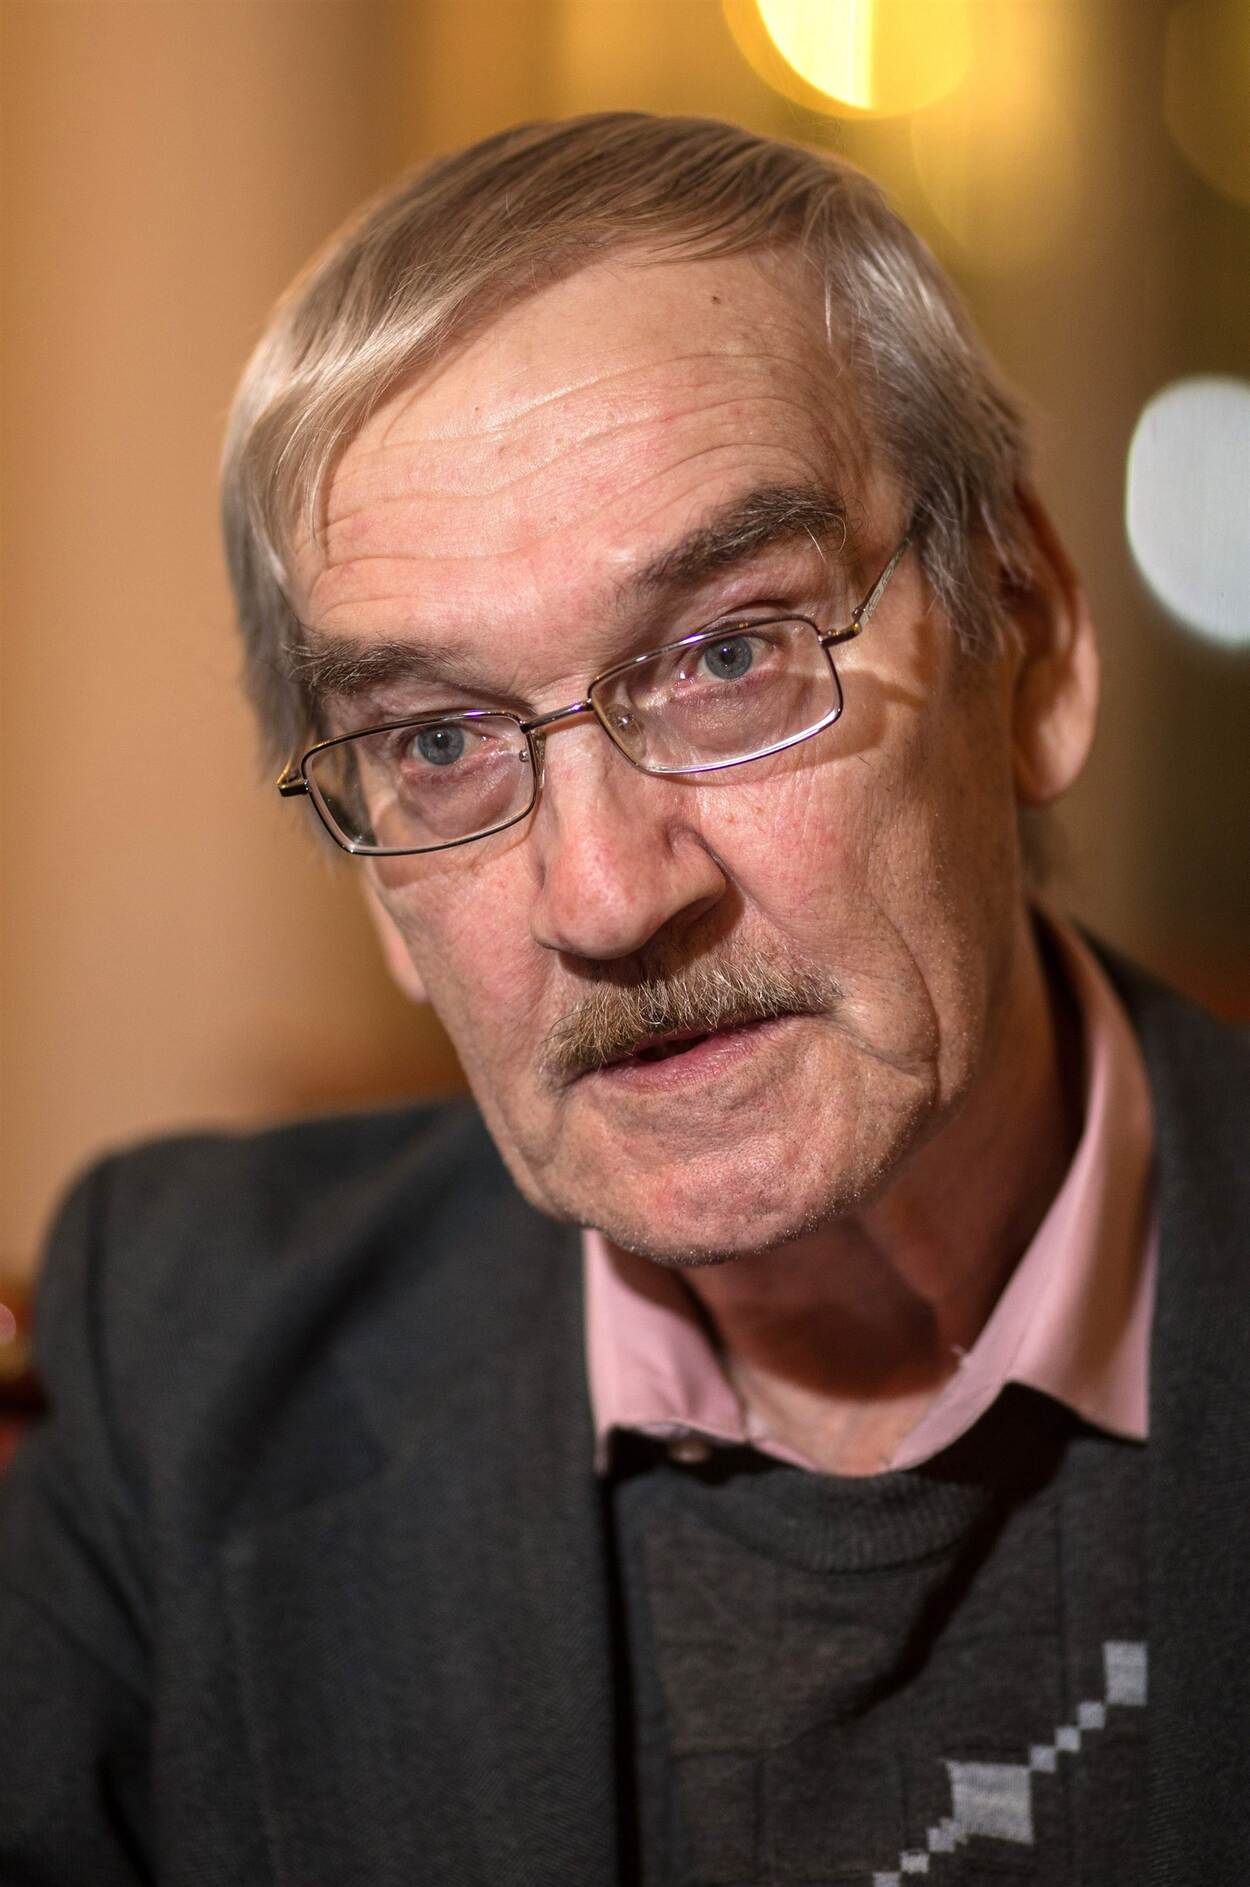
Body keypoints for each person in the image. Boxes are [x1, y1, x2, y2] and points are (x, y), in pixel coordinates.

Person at [1, 113, 1246, 1887]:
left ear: (1028, 649)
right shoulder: (182, 1361)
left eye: (729, 654)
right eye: (438, 742)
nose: (602, 897)